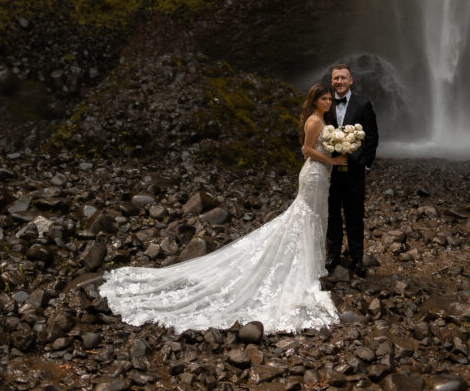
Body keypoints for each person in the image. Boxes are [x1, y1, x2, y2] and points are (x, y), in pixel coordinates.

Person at [100, 84, 347, 334]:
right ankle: (301, 269)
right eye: (323, 98)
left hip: (321, 176)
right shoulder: (315, 122)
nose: (328, 102)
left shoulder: (321, 119)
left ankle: (308, 265)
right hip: (315, 175)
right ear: (314, 100)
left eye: (329, 99)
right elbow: (306, 150)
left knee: (313, 217)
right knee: (306, 217)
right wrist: (333, 160)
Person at [324, 64, 378, 277]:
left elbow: (372, 136)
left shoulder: (363, 104)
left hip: (355, 170)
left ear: (351, 80)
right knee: (332, 214)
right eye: (336, 78)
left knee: (355, 215)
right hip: (330, 170)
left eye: (343, 78)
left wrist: (365, 163)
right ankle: (333, 254)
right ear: (332, 81)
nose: (339, 81)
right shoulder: (326, 104)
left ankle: (357, 258)